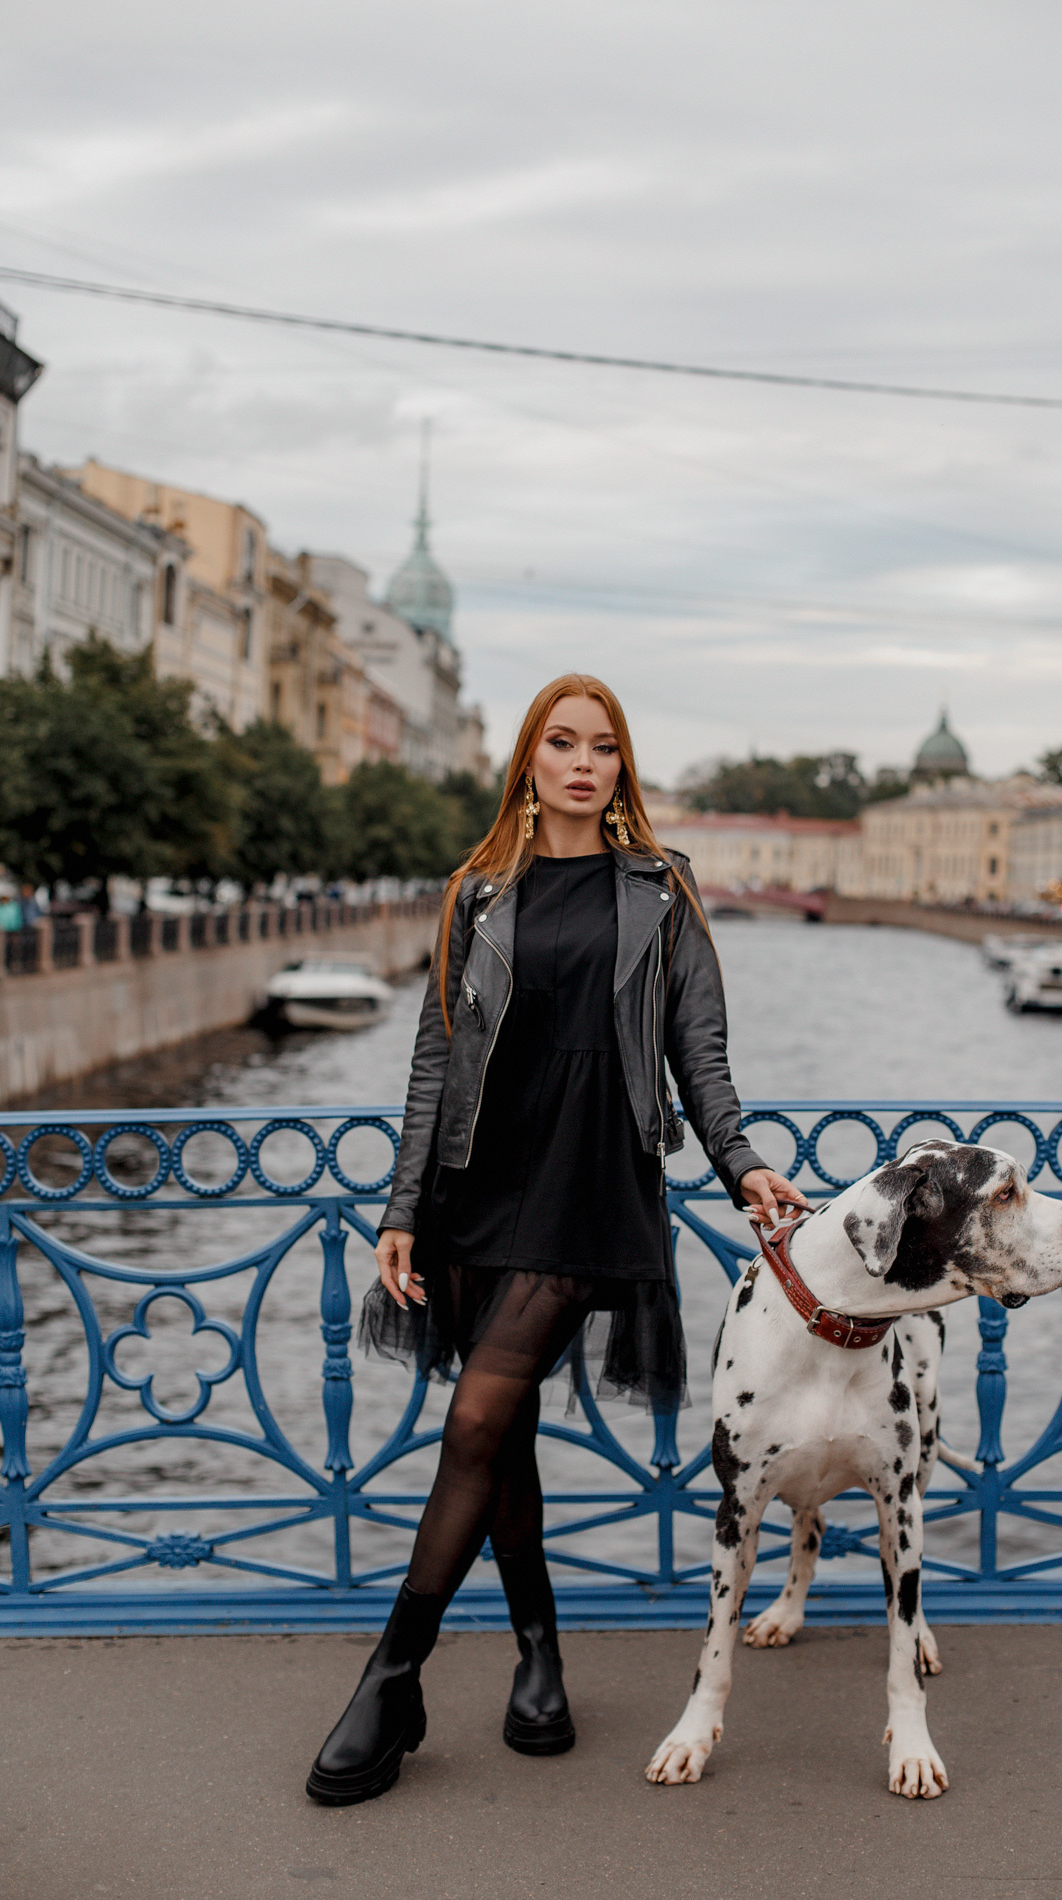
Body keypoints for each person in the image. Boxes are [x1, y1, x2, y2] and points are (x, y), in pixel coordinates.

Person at [306, 673, 807, 1807]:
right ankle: (539, 1659)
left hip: (590, 1178)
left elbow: (701, 1050)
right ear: (528, 761)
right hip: (479, 1180)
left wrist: (739, 1162)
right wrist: (398, 1207)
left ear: (622, 768)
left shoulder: (661, 890)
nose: (583, 763)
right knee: (506, 1433)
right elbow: (435, 1059)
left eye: (603, 747)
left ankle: (394, 1676)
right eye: (561, 743)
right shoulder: (474, 892)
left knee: (476, 1412)